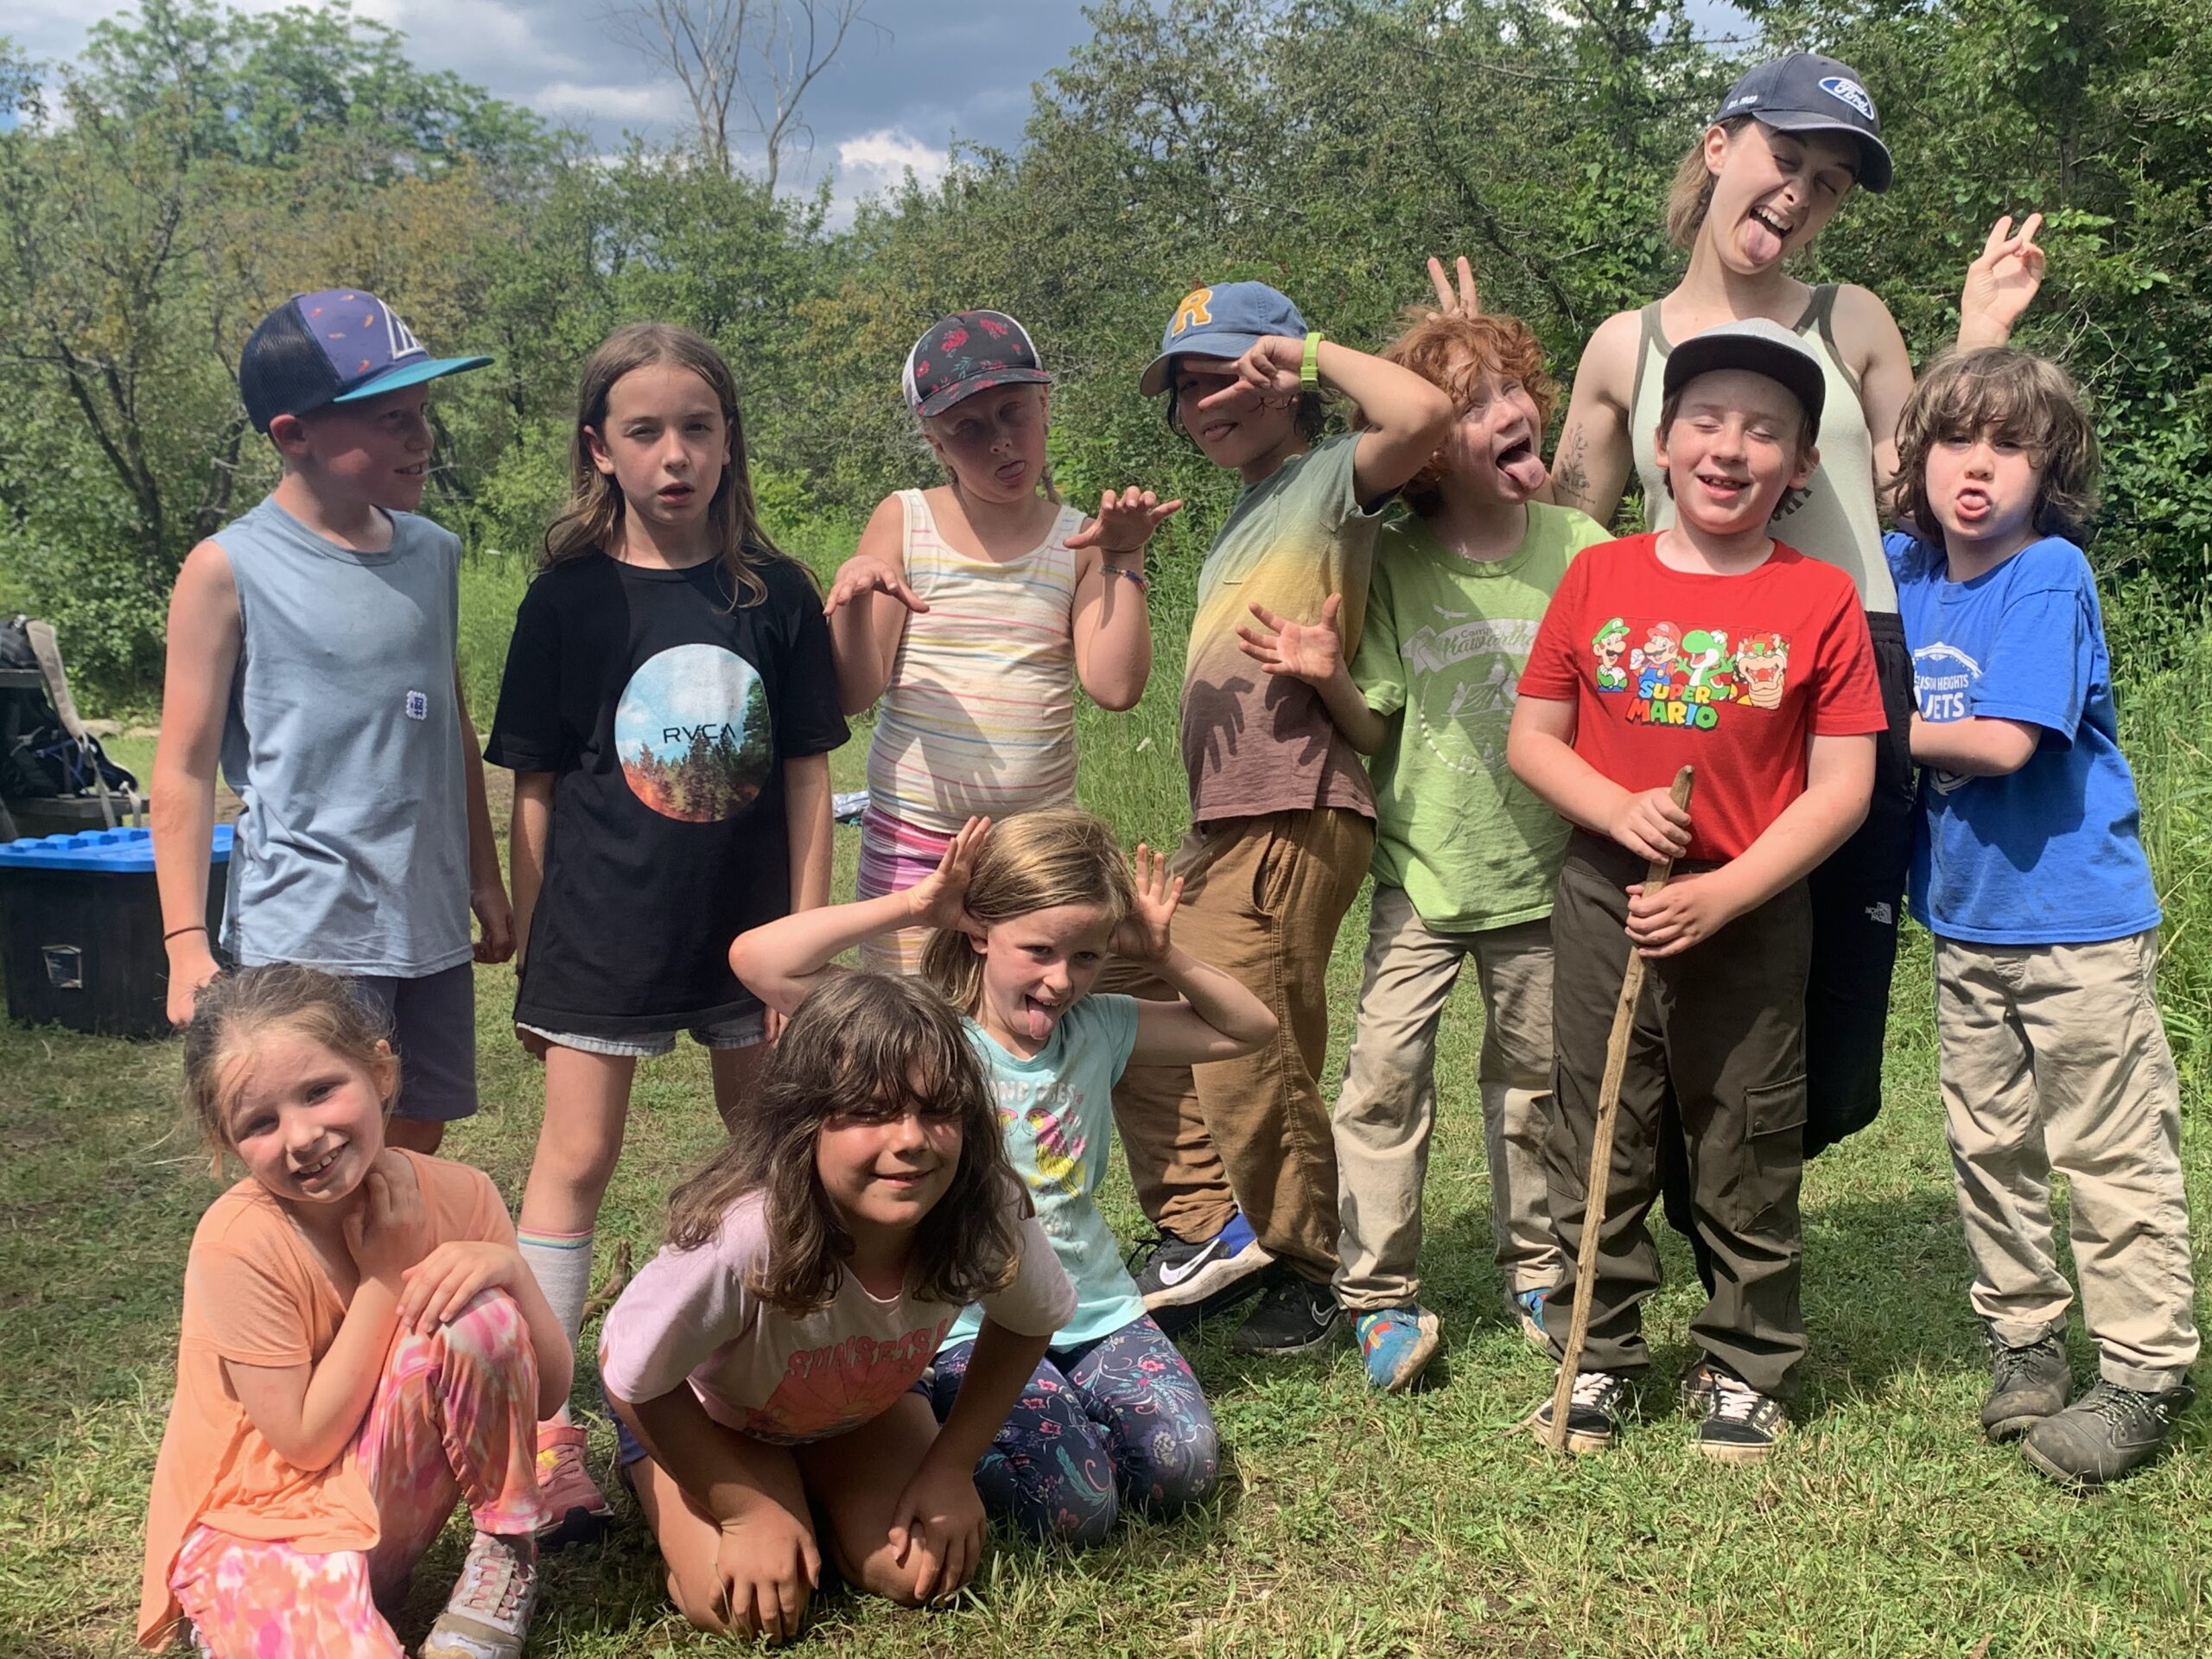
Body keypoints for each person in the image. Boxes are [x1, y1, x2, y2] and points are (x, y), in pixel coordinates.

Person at [1543, 53, 2045, 1178]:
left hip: (1854, 659)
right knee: (1686, 946)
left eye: (1828, 182)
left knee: (1836, 1002)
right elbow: (1565, 531)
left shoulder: (1851, 317)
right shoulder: (1625, 347)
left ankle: (1746, 1190)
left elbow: (1922, 491)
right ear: (1720, 143)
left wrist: (1980, 327)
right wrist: (1462, 413)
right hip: (1689, 672)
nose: (1801, 192)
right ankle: (1680, 1194)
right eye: (1788, 156)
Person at [484, 322, 849, 1542]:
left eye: (697, 427)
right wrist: (536, 953)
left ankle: (770, 1371)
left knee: (771, 1152)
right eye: (645, 431)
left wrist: (806, 939)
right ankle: (543, 1431)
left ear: (729, 439)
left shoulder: (776, 592)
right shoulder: (567, 600)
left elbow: (808, 776)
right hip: (600, 932)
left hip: (747, 938)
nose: (675, 454)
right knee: (575, 1162)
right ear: (601, 450)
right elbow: (534, 789)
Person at [1507, 320, 1885, 1462]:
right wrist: (1617, 811)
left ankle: (1747, 1361)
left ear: (1801, 466)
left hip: (1753, 910)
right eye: (1707, 422)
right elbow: (1534, 738)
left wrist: (1725, 896)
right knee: (1601, 1128)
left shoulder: (1820, 600)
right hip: (1605, 898)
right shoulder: (1596, 574)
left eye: (1767, 430)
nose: (1733, 448)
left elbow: (1843, 788)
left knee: (1747, 1133)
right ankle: (1600, 1355)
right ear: (1662, 443)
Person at [1234, 274, 1609, 1390]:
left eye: (1513, 391)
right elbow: (1378, 719)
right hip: (1424, 872)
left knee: (1535, 1081)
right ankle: (1381, 1297)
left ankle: (1539, 1270)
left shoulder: (1581, 543)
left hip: (1549, 876)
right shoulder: (1396, 559)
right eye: (1474, 402)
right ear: (1436, 447)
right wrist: (1327, 675)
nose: (1508, 412)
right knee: (1384, 1081)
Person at [733, 810, 1274, 1538]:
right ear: (981, 931)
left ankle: (1059, 1414)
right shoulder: (923, 1031)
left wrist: (1164, 956)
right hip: (965, 1326)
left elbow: (1251, 1029)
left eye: (1086, 956)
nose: (1062, 981)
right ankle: (928, 1415)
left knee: (1182, 1469)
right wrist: (918, 905)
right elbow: (760, 962)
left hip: (1095, 1311)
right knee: (1076, 1510)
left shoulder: (1103, 1026)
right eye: (1040, 950)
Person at [1110, 279, 1456, 1355]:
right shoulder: (1242, 516)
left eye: (1222, 375)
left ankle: (1314, 1267)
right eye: (1185, 388)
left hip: (1296, 800)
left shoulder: (1325, 482)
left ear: (1277, 381)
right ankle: (1208, 1226)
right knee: (1120, 985)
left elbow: (1424, 418)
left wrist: (1308, 352)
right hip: (1228, 815)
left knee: (1251, 1035)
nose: (1202, 402)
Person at [1885, 348, 2197, 1487]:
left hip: (2078, 930)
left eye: (2010, 446)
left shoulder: (2049, 573)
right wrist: (1966, 336)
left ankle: (2143, 1374)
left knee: (2109, 1153)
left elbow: (2002, 741)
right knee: (1990, 1150)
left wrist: (1855, 726)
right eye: (1954, 442)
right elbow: (1842, 480)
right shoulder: (1907, 571)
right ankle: (2024, 1343)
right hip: (1968, 929)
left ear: (2050, 469)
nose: (1977, 469)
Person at [598, 973, 1077, 1643]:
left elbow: (1031, 1320)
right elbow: (630, 1374)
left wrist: (951, 1466)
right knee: (741, 1608)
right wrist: (741, 1511)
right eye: (872, 1110)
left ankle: (812, 1489)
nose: (911, 1139)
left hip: (858, 1411)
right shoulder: (745, 1237)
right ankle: (680, 1484)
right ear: (802, 1118)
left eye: (938, 1109)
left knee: (919, 1574)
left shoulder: (984, 1204)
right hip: (710, 1419)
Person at [150, 288, 512, 1154]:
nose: (421, 439)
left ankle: (386, 1294)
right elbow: (184, 769)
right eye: (390, 419)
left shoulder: (432, 553)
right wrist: (185, 944)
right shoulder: (227, 569)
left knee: (412, 1153)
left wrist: (484, 879)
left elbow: (447, 726)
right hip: (306, 931)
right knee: (318, 1156)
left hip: (424, 919)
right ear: (292, 434)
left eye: (423, 413)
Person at [137, 964, 572, 1659]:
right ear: (226, 1145)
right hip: (260, 1523)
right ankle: (244, 1608)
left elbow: (542, 1394)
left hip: (372, 1513)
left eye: (320, 1091)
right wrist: (381, 1277)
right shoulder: (237, 1243)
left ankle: (505, 1555)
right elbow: (304, 1442)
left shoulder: (463, 1195)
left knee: (478, 1309)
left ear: (381, 1070)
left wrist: (513, 1271)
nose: (302, 1136)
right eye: (259, 1122)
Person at [822, 308, 1177, 974]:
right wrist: (853, 596)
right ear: (935, 443)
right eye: (968, 429)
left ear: (1044, 405)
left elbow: (1116, 686)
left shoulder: (1076, 542)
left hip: (1034, 855)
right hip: (913, 848)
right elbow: (855, 691)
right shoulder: (904, 519)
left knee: (1026, 1039)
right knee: (910, 1037)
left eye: (1013, 413)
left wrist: (1124, 557)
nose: (999, 442)